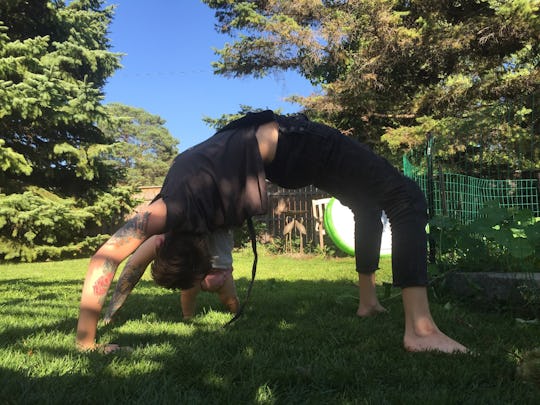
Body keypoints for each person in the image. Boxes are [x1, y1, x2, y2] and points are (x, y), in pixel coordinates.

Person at [76, 110, 468, 354]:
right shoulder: (169, 225)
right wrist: (99, 327)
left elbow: (107, 258)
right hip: (283, 155)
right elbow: (123, 264)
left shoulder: (172, 211)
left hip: (295, 144)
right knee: (387, 200)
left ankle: (398, 318)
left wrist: (89, 340)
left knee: (391, 201)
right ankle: (397, 318)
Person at [103, 228, 238, 323]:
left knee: (230, 299)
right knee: (188, 295)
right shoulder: (162, 239)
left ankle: (236, 312)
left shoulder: (219, 214)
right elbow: (133, 268)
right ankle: (188, 316)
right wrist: (110, 313)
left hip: (221, 271)